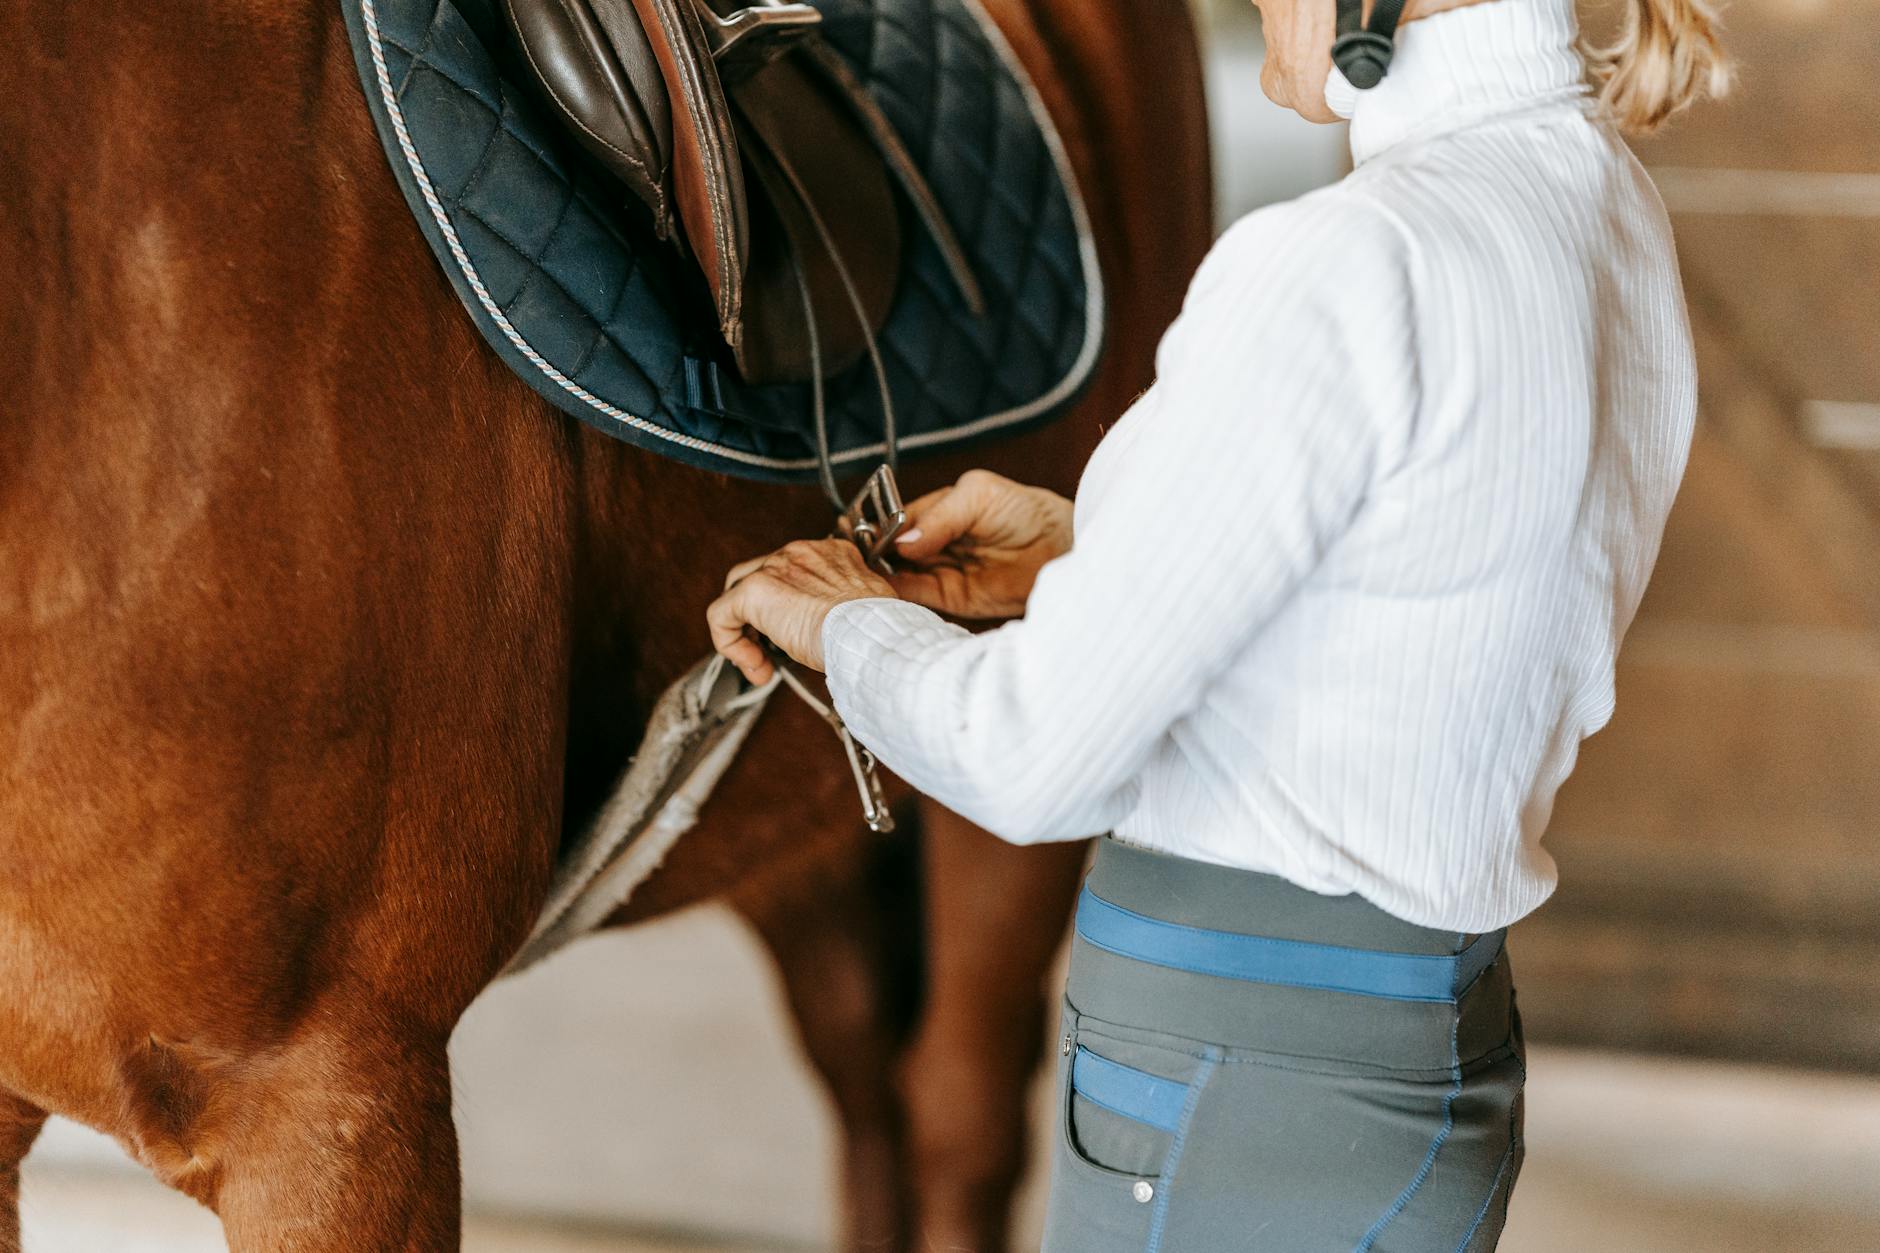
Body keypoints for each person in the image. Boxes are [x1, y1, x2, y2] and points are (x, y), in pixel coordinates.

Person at [708, 0, 1729, 1244]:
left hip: (1228, 1077)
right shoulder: (1604, 206)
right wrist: (1098, 551)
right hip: (1414, 1049)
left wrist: (843, 623)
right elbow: (1436, 575)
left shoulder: (1338, 260)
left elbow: (1028, 760)